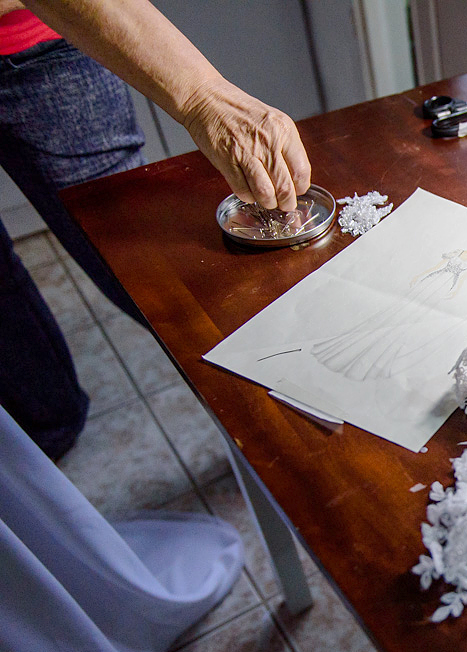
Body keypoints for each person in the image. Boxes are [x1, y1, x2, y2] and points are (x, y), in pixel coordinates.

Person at [0, 0, 311, 458]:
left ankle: (284, 426)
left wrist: (206, 96)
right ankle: (48, 432)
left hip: (42, 42)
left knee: (143, 271)